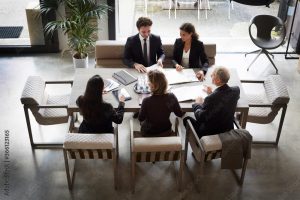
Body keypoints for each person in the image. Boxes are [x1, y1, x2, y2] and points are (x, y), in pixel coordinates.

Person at [184, 67, 240, 138]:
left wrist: (197, 104)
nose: (210, 75)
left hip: (210, 134)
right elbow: (224, 99)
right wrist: (212, 93)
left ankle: (200, 144)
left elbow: (200, 117)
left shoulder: (210, 98)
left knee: (186, 119)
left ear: (218, 80)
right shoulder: (236, 90)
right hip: (227, 130)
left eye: (213, 74)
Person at [138, 70, 185, 137]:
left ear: (153, 86)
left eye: (149, 82)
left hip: (149, 133)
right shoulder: (171, 97)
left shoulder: (146, 101)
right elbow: (179, 114)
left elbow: (141, 118)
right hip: (166, 131)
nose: (148, 83)